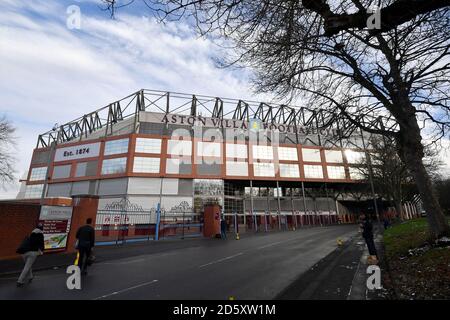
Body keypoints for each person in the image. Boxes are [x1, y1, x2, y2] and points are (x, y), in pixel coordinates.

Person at [17, 223, 45, 287]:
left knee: (28, 265)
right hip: (32, 253)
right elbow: (41, 244)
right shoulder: (40, 234)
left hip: (23, 252)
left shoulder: (30, 234)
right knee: (27, 267)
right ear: (41, 229)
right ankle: (20, 281)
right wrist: (42, 251)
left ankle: (30, 276)